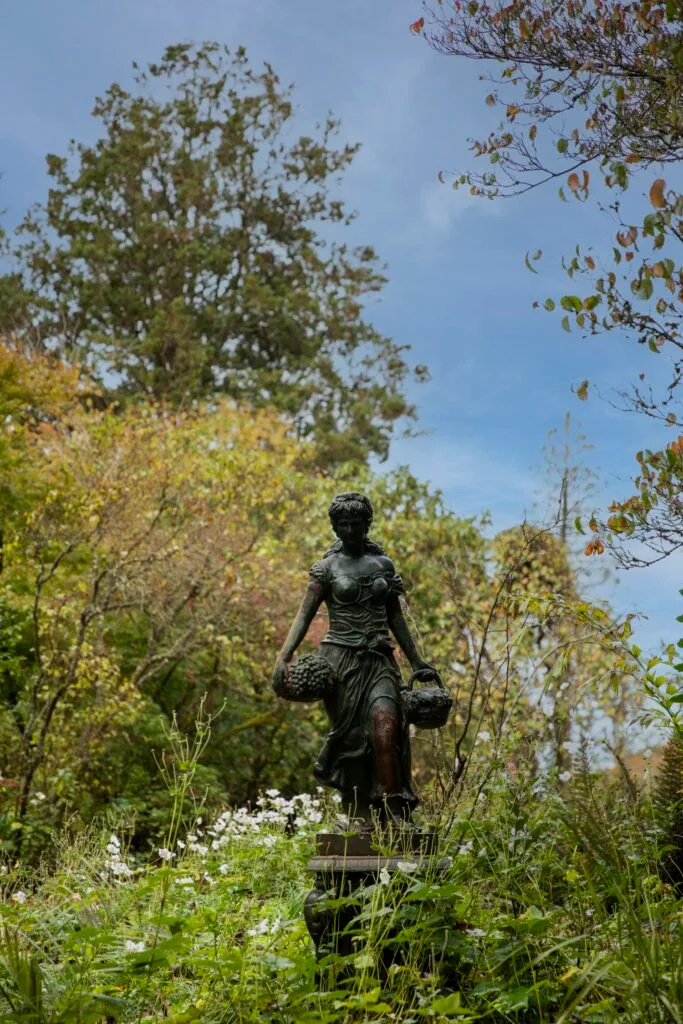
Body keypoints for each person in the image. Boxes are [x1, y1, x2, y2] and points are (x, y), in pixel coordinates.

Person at [272, 492, 442, 824]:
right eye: (343, 524)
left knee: (386, 726)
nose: (350, 531)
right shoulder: (326, 569)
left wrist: (417, 661)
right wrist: (284, 657)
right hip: (340, 663)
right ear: (335, 526)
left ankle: (395, 810)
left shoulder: (383, 565)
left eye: (356, 524)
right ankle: (359, 812)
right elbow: (303, 616)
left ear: (367, 524)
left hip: (379, 660)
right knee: (351, 738)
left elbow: (395, 618)